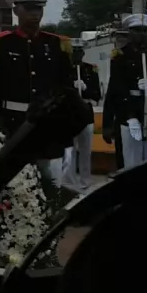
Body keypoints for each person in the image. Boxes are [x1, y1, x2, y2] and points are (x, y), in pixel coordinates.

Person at [0, 0, 74, 188]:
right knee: (15, 185)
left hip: (47, 125)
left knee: (51, 184)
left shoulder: (55, 45)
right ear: (16, 11)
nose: (34, 14)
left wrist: (64, 126)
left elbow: (65, 89)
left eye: (38, 8)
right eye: (29, 8)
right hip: (13, 123)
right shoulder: (2, 44)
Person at [102, 14, 147, 168]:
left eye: (144, 31)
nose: (141, 34)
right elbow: (115, 89)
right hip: (130, 116)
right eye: (136, 30)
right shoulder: (120, 56)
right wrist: (108, 123)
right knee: (131, 163)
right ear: (129, 32)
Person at [58, 40, 101, 194]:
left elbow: (97, 94)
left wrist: (86, 88)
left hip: (86, 114)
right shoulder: (64, 70)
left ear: (83, 53)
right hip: (69, 115)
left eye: (79, 52)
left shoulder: (90, 70)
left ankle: (85, 182)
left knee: (85, 151)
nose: (77, 55)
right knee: (69, 152)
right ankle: (69, 183)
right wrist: (72, 87)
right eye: (74, 52)